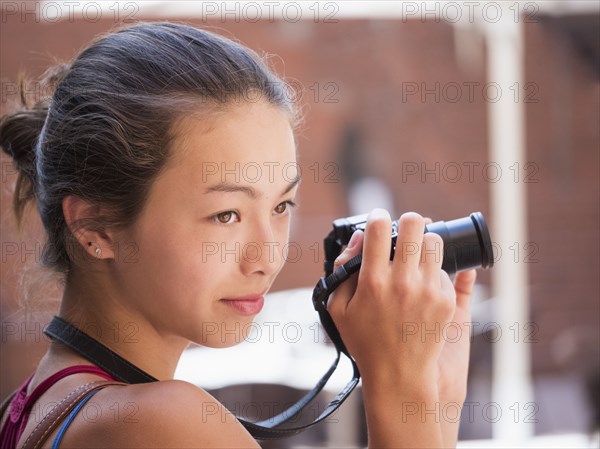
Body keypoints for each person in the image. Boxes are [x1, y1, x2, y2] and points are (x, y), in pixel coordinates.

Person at [0, 21, 477, 448]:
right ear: (93, 226)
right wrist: (398, 384)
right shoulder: (162, 425)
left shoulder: (30, 407)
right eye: (226, 214)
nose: (267, 257)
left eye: (281, 206)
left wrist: (432, 398)